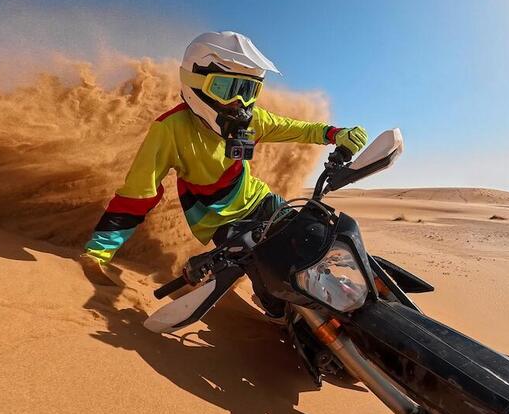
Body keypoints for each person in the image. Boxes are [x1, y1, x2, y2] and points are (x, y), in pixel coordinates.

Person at [80, 31, 367, 318]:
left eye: (249, 90)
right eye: (226, 88)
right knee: (272, 287)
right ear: (195, 81)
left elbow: (297, 129)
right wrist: (98, 253)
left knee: (316, 239)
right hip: (223, 224)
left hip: (263, 201)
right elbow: (137, 195)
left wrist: (335, 133)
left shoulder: (253, 120)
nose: (240, 102)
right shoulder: (170, 129)